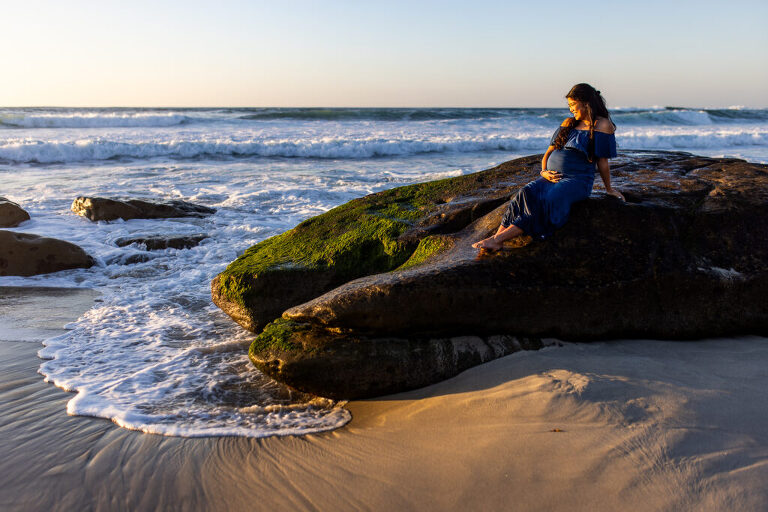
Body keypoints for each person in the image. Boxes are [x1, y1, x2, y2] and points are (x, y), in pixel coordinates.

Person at [473, 83, 625, 252]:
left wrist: (609, 189)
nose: (571, 110)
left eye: (573, 105)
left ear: (586, 103)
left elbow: (602, 162)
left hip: (577, 180)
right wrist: (544, 172)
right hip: (550, 176)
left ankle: (498, 238)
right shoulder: (569, 124)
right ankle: (497, 239)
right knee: (525, 193)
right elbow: (548, 153)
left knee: (550, 200)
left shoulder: (602, 125)